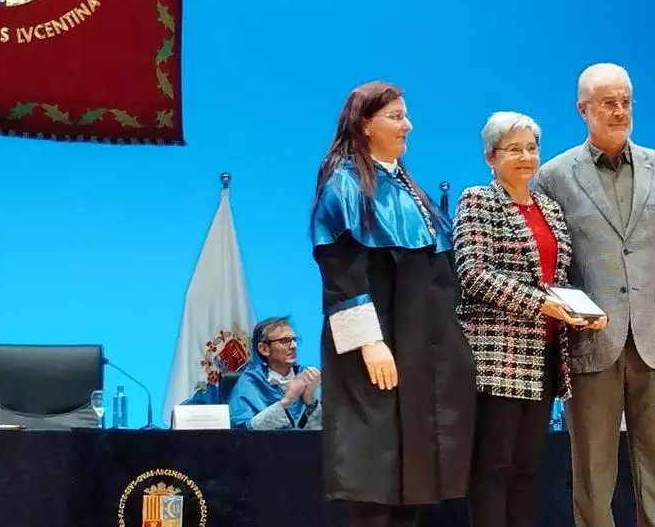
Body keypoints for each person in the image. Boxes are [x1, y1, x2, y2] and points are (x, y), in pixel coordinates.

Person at [533, 62, 655, 527]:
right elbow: (547, 265)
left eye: (626, 102)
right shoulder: (553, 176)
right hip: (591, 341)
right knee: (592, 472)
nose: (619, 112)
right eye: (608, 103)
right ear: (583, 109)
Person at [309, 81, 477, 527]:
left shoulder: (404, 184)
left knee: (412, 477)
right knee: (376, 473)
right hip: (378, 346)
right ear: (366, 125)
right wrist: (369, 343)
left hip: (417, 346)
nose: (409, 125)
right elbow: (341, 272)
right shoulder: (344, 184)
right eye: (397, 116)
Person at [453, 111, 608, 527]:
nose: (526, 157)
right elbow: (473, 273)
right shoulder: (477, 200)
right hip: (497, 356)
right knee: (494, 466)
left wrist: (580, 312)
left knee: (527, 469)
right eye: (514, 149)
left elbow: (557, 281)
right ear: (491, 156)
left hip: (543, 354)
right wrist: (540, 304)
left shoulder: (550, 209)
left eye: (532, 148)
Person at [228, 316, 322, 430]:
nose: (294, 346)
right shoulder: (250, 382)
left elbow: (330, 434)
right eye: (285, 341)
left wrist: (310, 403)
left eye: (294, 340)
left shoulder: (309, 378)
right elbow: (243, 432)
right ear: (264, 349)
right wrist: (286, 401)